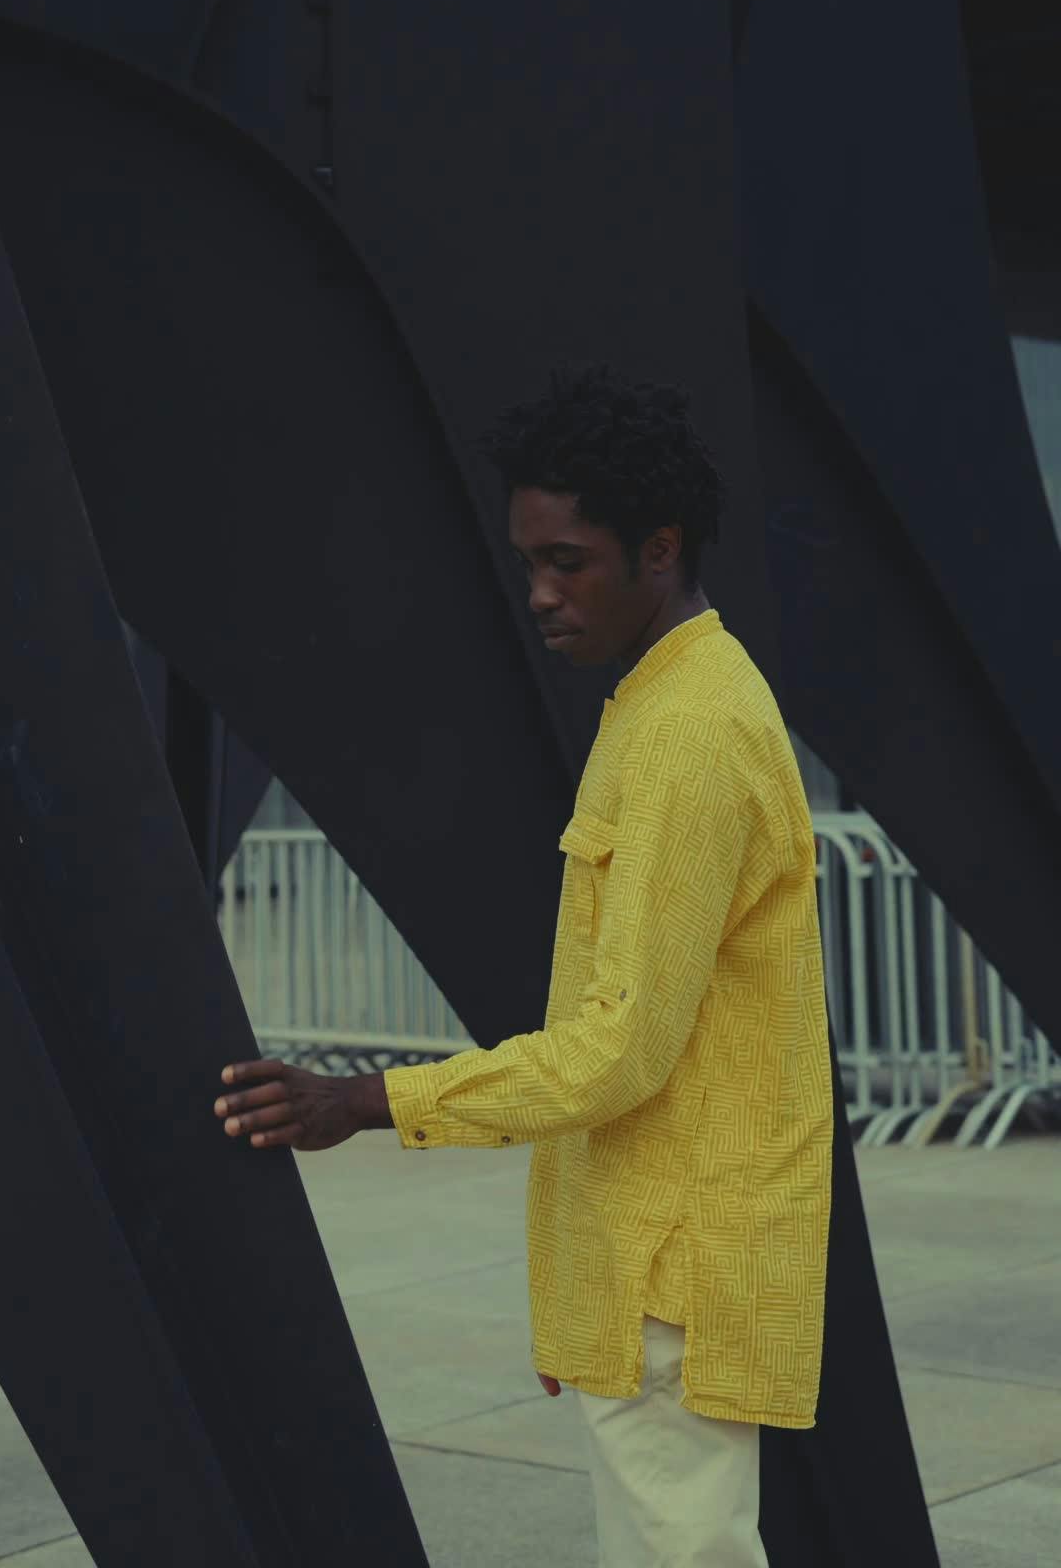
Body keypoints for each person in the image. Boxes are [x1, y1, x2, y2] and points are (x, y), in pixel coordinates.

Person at [213, 361, 833, 1567]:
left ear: (660, 550)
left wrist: (365, 1100)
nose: (541, 594)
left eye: (568, 562)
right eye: (529, 562)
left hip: (672, 1272)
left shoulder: (690, 732)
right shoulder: (665, 700)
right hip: (654, 1257)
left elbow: (616, 1052)